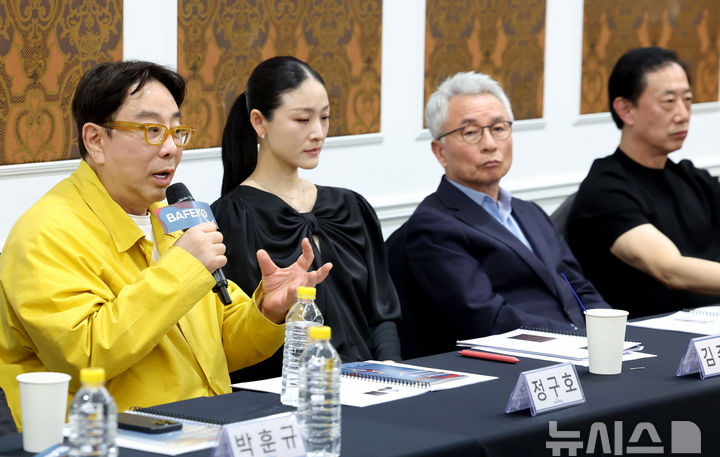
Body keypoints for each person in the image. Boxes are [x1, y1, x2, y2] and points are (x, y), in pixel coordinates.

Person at [0, 61, 331, 428]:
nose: (171, 148)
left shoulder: (172, 218)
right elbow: (84, 355)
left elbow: (222, 340)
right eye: (152, 131)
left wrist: (267, 311)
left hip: (205, 428)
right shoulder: (45, 234)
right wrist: (184, 269)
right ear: (96, 140)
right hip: (110, 441)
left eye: (177, 131)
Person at [212, 56, 402, 380]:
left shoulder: (351, 206)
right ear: (259, 122)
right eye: (302, 119)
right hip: (287, 392)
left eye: (324, 117)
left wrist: (391, 369)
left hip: (374, 385)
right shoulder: (231, 219)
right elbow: (240, 336)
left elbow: (383, 313)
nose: (318, 133)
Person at [401, 71, 608, 355]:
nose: (490, 144)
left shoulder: (529, 212)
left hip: (583, 349)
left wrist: (609, 331)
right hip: (519, 359)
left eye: (498, 128)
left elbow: (577, 287)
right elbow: (488, 319)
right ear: (440, 152)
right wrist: (574, 337)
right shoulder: (434, 226)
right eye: (470, 133)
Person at [567, 46, 720, 318]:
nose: (683, 114)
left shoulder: (694, 178)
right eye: (669, 101)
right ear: (626, 109)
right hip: (648, 335)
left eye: (687, 100)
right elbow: (670, 270)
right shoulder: (605, 188)